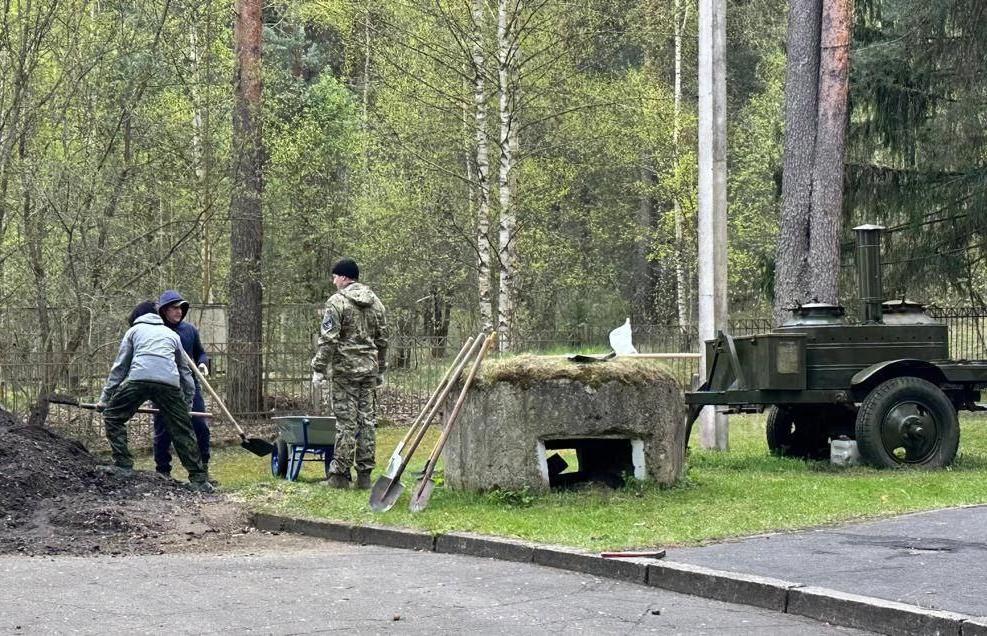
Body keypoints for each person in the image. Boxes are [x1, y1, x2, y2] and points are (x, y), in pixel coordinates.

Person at [97, 300, 213, 492]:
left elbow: (120, 368)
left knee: (112, 416)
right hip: (169, 383)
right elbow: (185, 373)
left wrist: (105, 399)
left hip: (139, 379)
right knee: (182, 430)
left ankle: (123, 465)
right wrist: (186, 404)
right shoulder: (171, 334)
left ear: (137, 318)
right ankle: (200, 480)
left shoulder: (133, 331)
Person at [311, 258, 389, 489]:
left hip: (345, 372)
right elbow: (383, 340)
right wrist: (381, 368)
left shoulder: (336, 303)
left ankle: (339, 475)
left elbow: (328, 339)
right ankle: (365, 475)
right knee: (367, 421)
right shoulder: (377, 304)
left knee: (346, 422)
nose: (333, 280)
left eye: (335, 276)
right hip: (369, 370)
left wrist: (319, 368)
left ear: (344, 277)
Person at [153, 290, 214, 483]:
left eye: (181, 307)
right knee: (163, 430)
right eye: (173, 308)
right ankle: (163, 472)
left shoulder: (189, 330)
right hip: (163, 385)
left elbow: (200, 353)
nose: (178, 311)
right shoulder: (156, 331)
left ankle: (202, 471)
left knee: (200, 427)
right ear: (163, 310)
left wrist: (203, 364)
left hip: (190, 384)